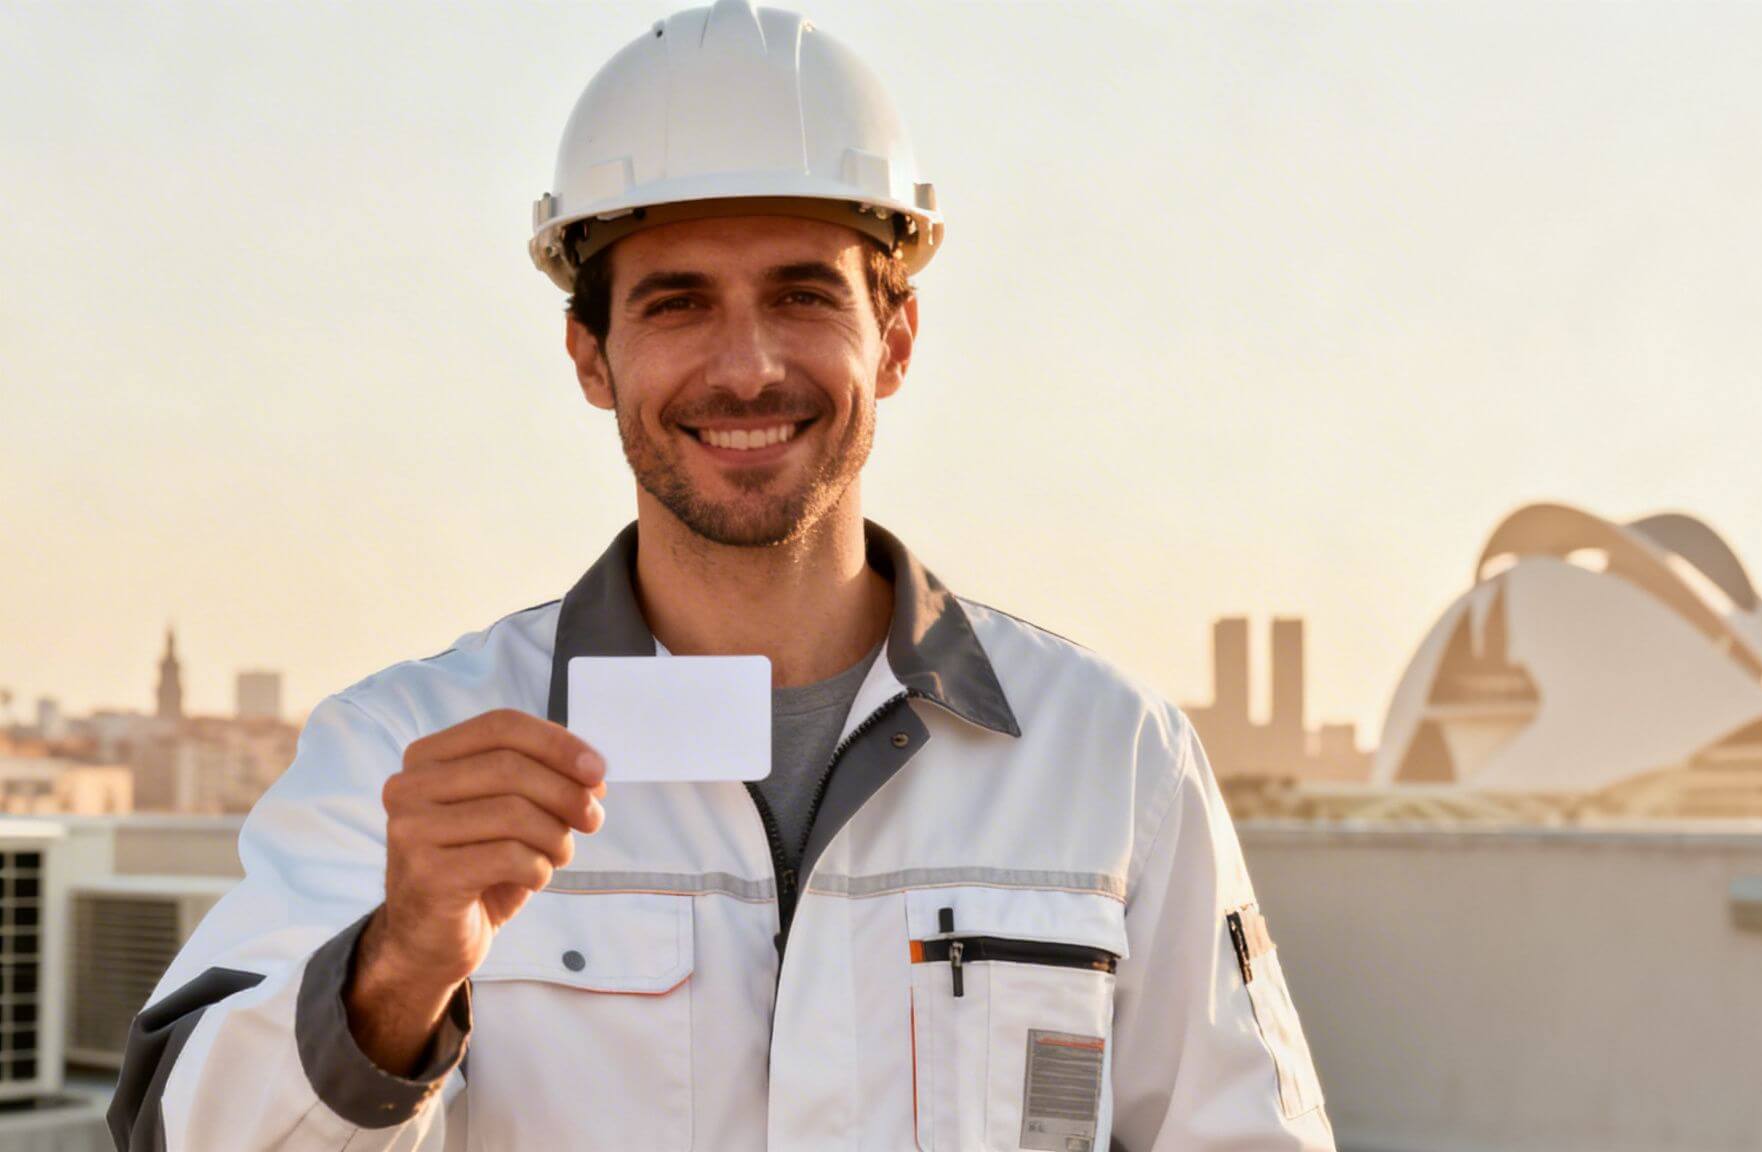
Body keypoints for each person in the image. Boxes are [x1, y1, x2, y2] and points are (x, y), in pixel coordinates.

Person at [108, 2, 1334, 1148]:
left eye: (802, 294)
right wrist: (396, 966)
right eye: (678, 304)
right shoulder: (409, 752)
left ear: (893, 340)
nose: (745, 368)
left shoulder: (1109, 757)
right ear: (591, 356)